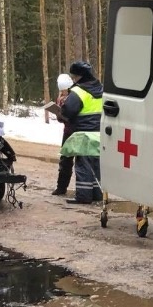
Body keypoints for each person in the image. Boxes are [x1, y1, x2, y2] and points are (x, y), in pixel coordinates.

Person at [61, 60, 103, 205]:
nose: (73, 79)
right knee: (96, 166)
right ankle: (98, 194)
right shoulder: (101, 89)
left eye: (74, 77)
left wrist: (61, 110)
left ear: (81, 76)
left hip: (83, 134)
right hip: (100, 134)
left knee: (83, 166)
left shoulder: (78, 91)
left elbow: (68, 112)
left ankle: (83, 196)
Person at [51, 73, 75, 195]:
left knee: (77, 161)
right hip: (68, 131)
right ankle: (61, 187)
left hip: (75, 130)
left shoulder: (74, 97)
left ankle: (87, 190)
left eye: (64, 91)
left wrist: (63, 114)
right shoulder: (61, 98)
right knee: (65, 160)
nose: (63, 93)